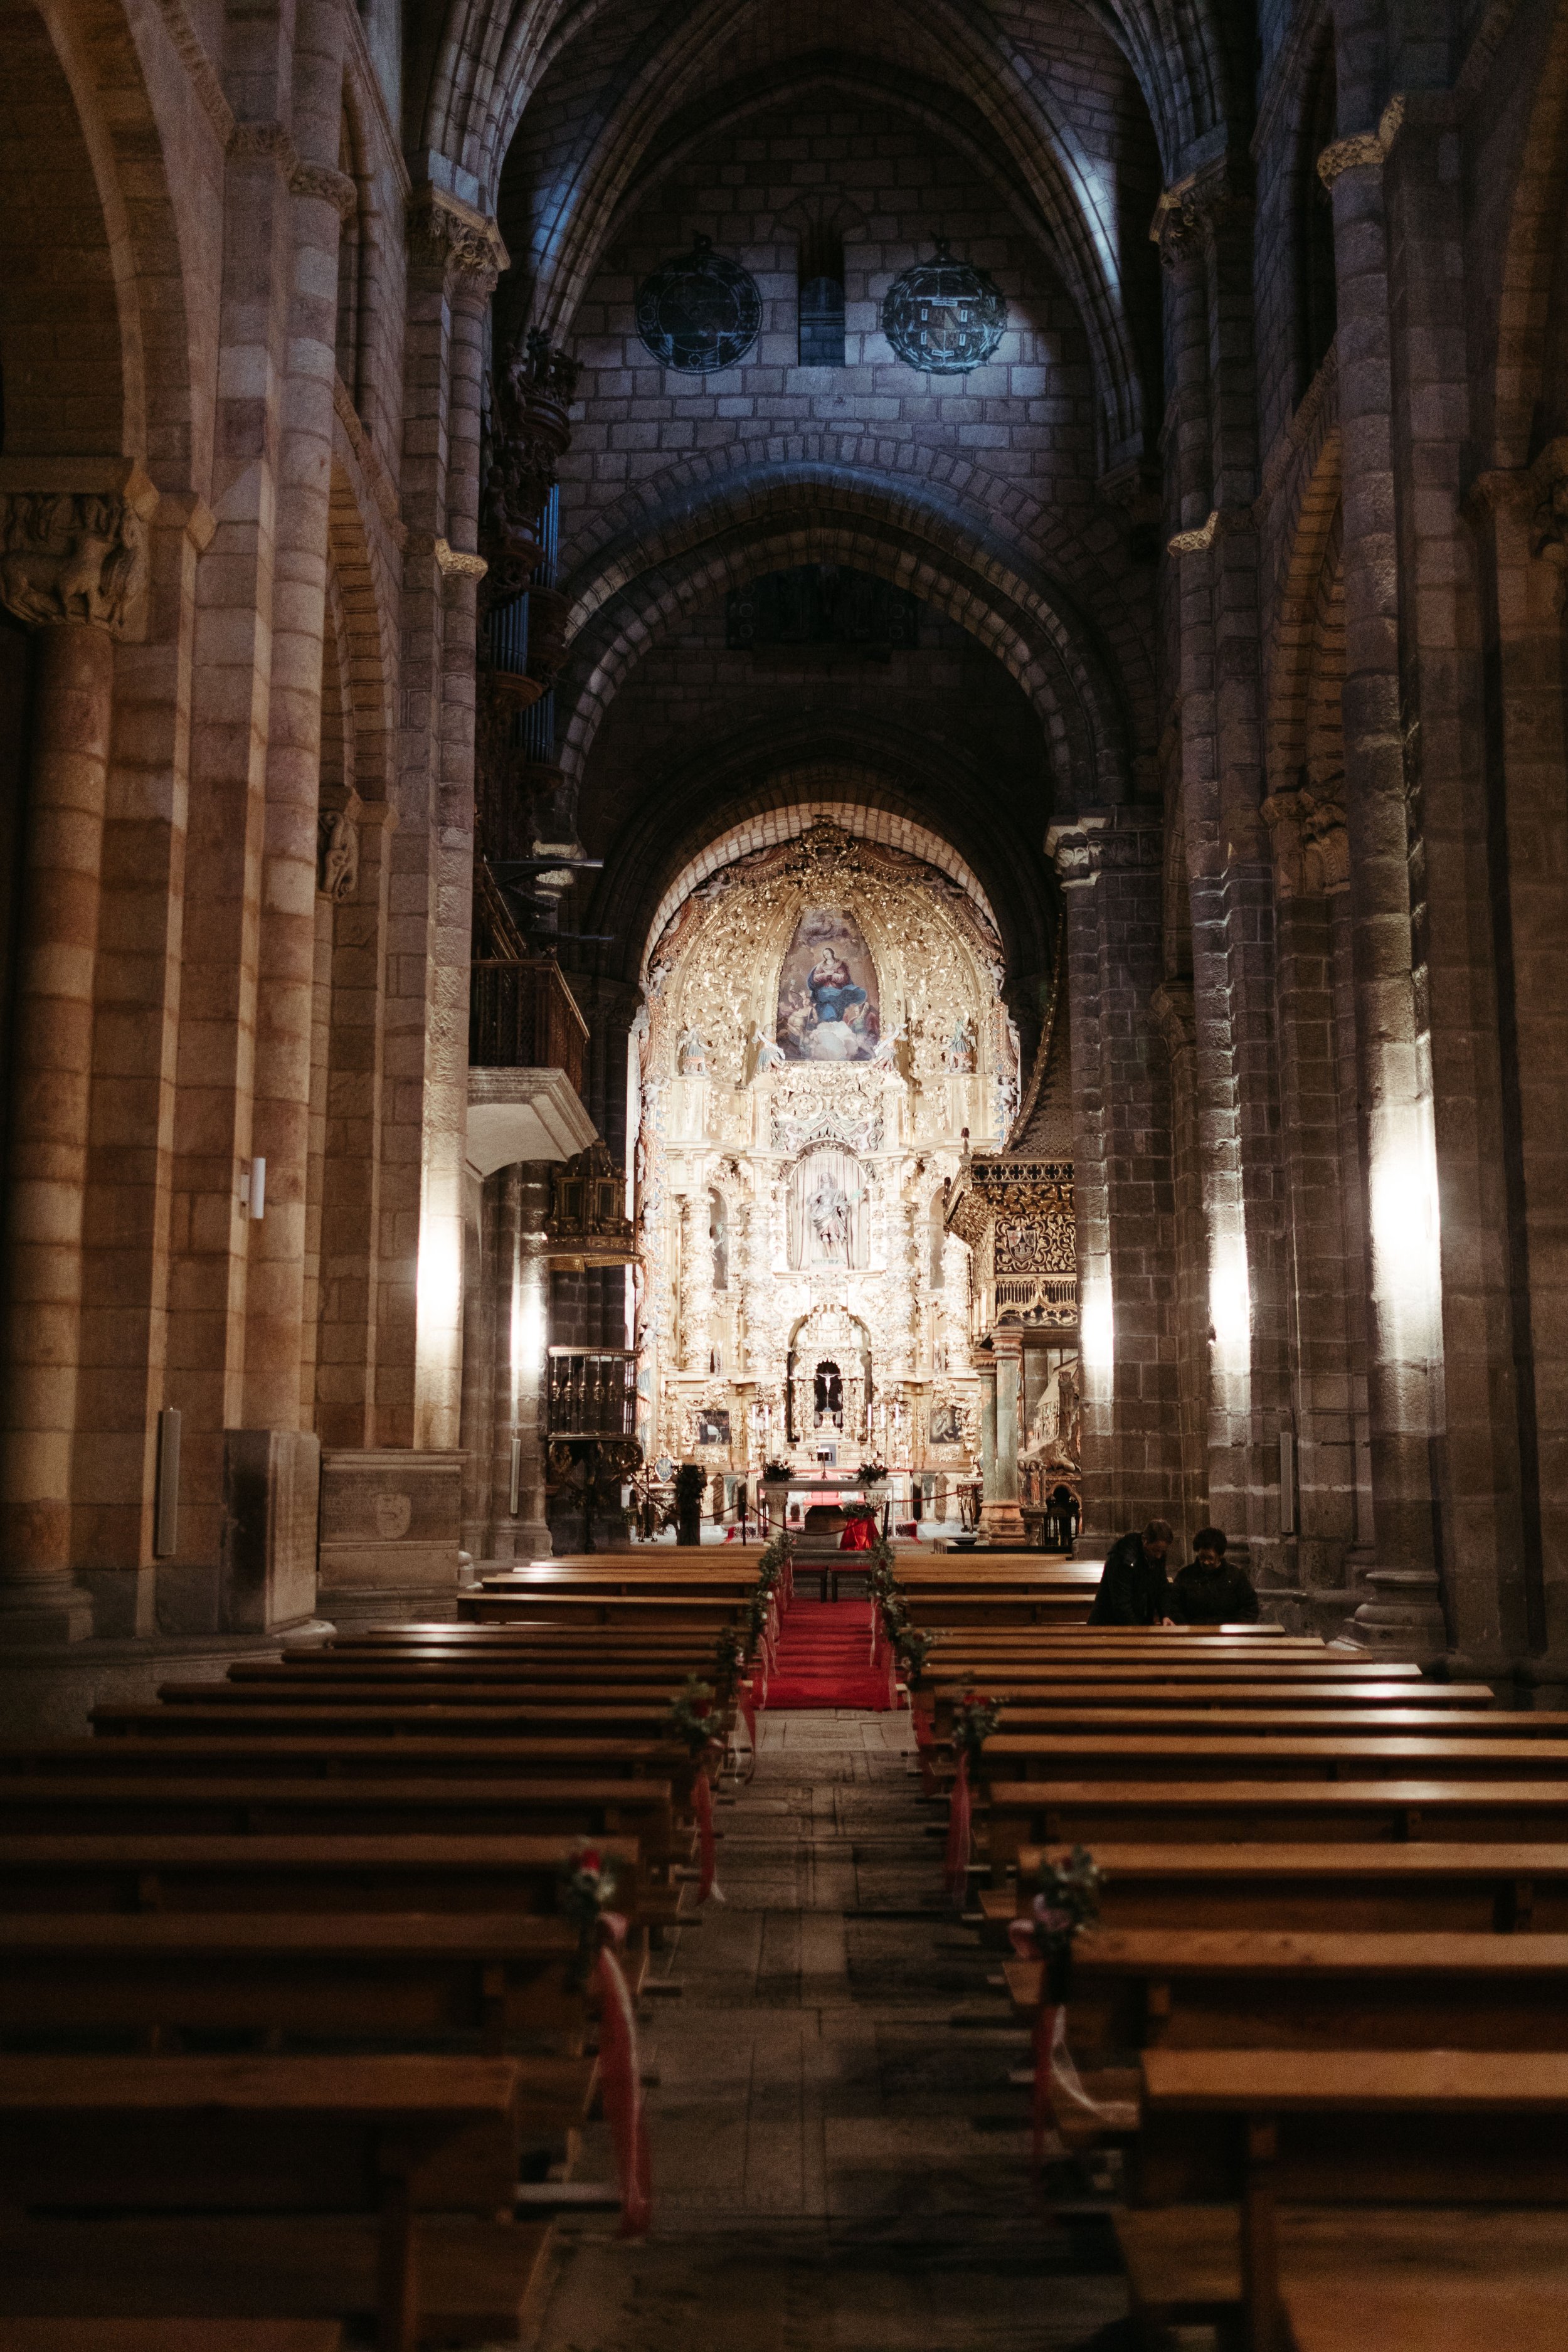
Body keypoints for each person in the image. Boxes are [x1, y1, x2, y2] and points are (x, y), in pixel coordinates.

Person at [1088, 1518, 1175, 1626]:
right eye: (1156, 1550)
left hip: (1138, 1621)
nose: (1159, 1556)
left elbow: (1161, 1586)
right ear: (1144, 1540)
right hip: (1110, 1625)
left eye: (1163, 1551)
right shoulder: (1123, 1557)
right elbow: (1122, 1605)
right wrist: (1138, 1631)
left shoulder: (1157, 1556)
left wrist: (1165, 1615)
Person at [1169, 1527, 1261, 1624]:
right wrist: (1186, 1627)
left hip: (1229, 1634)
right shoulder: (1186, 1575)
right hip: (1194, 1633)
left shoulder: (1235, 1575)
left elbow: (1250, 1607)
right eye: (1202, 1557)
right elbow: (1174, 1605)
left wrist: (1236, 1628)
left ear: (1220, 1555)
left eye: (1210, 1558)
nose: (1206, 1562)